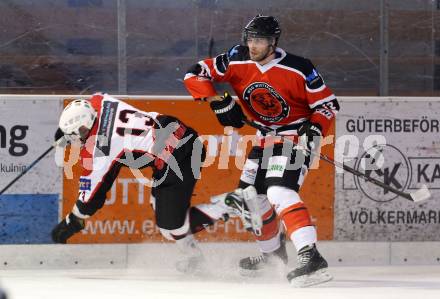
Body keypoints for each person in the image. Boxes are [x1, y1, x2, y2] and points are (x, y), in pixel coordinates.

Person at [184, 15, 339, 286]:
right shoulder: (236, 58)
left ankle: (310, 256)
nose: (253, 46)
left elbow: (327, 105)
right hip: (263, 139)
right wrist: (217, 100)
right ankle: (273, 256)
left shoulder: (299, 67)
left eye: (260, 40)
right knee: (252, 198)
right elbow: (194, 72)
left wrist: (314, 128)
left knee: (279, 190)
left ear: (273, 42)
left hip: (295, 137)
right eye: (251, 39)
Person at [50, 93, 237, 273]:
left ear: (84, 129)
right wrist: (65, 131)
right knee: (161, 211)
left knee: (171, 228)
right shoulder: (102, 102)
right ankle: (194, 257)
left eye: (76, 136)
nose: (77, 141)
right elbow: (94, 98)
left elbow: (90, 199)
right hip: (180, 135)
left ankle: (229, 204)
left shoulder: (100, 148)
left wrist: (72, 220)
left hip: (177, 158)